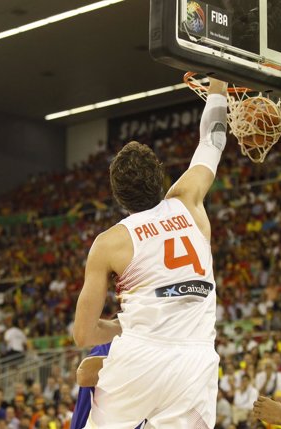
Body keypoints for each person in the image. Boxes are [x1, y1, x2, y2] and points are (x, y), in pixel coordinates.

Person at [73, 77, 230, 428]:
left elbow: (83, 334)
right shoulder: (187, 200)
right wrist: (218, 89)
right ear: (160, 177)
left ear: (117, 196)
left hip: (140, 355)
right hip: (197, 360)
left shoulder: (110, 242)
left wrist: (122, 327)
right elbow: (213, 140)